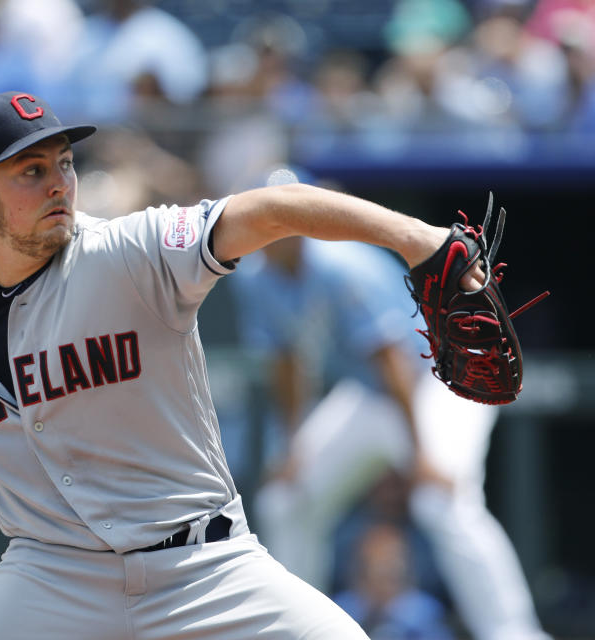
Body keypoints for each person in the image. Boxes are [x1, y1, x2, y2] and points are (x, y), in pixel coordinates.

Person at [0, 91, 474, 639]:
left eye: (62, 163)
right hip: (51, 578)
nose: (57, 184)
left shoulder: (132, 251)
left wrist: (419, 239)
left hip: (202, 564)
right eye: (28, 173)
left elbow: (269, 210)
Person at [230, 230, 551, 640]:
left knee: (442, 502)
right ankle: (295, 631)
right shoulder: (256, 276)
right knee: (287, 499)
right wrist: (291, 447)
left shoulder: (344, 266)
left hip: (440, 384)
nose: (274, 233)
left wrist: (420, 454)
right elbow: (285, 361)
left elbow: (392, 358)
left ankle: (514, 633)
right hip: (369, 394)